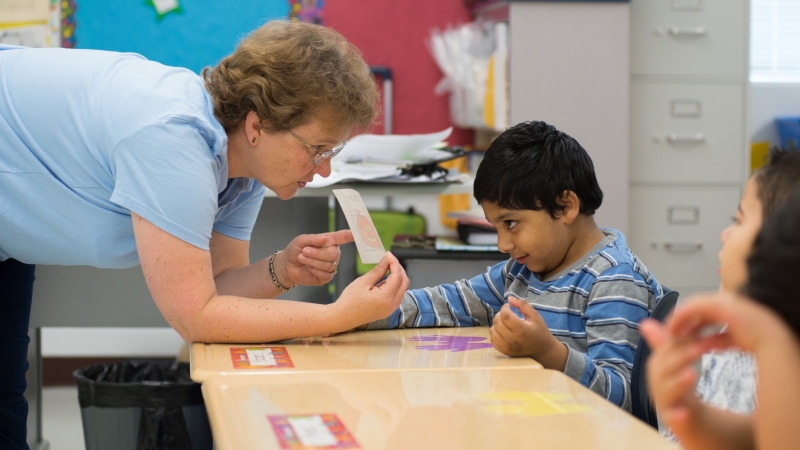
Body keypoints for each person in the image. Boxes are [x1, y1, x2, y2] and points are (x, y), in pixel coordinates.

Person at [0, 21, 409, 449]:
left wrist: (281, 269)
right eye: (318, 149)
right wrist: (336, 316)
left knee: (5, 401)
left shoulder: (243, 165)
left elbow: (217, 285)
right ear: (257, 125)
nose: (324, 169)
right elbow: (195, 316)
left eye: (332, 152)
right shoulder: (172, 137)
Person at [362, 121, 664, 411]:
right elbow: (449, 302)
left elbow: (622, 399)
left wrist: (548, 353)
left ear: (566, 206)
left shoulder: (614, 279)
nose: (502, 244)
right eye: (496, 227)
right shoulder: (522, 271)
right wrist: (365, 311)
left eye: (511, 223)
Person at [640, 149, 800, 447]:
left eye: (738, 221)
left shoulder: (780, 352)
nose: (725, 233)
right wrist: (694, 416)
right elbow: (753, 437)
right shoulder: (736, 332)